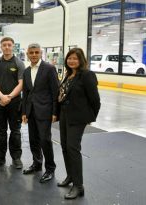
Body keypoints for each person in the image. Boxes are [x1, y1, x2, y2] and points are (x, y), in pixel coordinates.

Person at [57, 48, 100, 199]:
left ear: (81, 60)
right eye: (69, 58)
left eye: (75, 58)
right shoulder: (68, 75)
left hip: (77, 118)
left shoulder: (87, 75)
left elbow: (95, 99)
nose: (71, 61)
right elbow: (62, 95)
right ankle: (70, 176)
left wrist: (90, 116)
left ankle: (78, 186)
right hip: (64, 115)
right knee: (64, 146)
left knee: (72, 148)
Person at [21, 43, 59, 183]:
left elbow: (55, 92)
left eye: (36, 52)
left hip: (45, 110)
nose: (34, 55)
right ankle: (37, 164)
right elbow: (26, 93)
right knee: (33, 140)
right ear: (28, 54)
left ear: (41, 53)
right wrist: (24, 111)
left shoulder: (49, 69)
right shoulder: (26, 71)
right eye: (31, 53)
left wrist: (55, 111)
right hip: (31, 111)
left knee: (45, 140)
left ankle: (50, 168)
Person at [0, 37, 25, 169]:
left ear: (13, 46)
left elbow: (21, 84)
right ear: (1, 47)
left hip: (14, 102)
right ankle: (0, 157)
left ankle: (16, 158)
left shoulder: (19, 63)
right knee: (0, 130)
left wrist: (9, 96)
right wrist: (1, 96)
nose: (7, 47)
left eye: (9, 45)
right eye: (4, 45)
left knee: (15, 131)